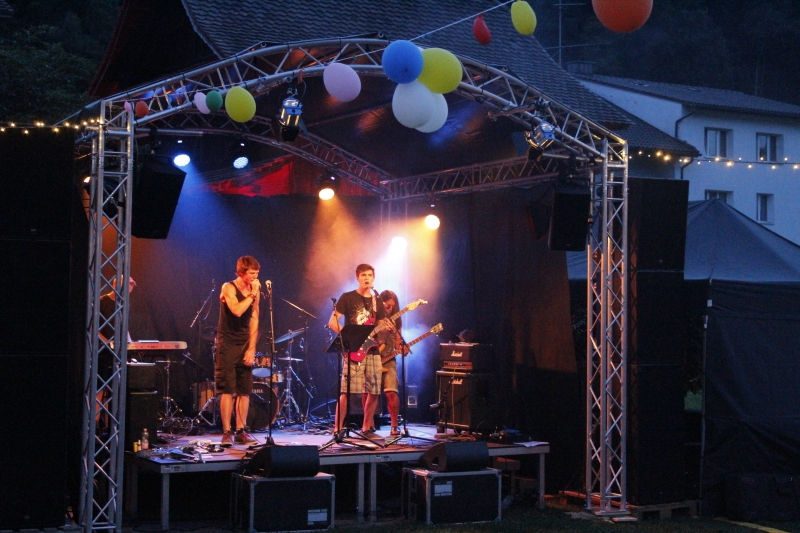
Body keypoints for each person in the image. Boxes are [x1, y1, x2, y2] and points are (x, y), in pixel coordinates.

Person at [328, 264, 394, 438]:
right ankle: (337, 429)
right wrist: (349, 336)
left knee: (374, 390)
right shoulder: (347, 297)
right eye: (363, 275)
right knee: (346, 392)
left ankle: (366, 428)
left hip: (372, 349)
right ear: (357, 277)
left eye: (370, 275)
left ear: (373, 278)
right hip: (354, 349)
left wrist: (387, 329)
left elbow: (379, 326)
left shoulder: (377, 300)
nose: (367, 278)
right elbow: (332, 322)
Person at [216, 255, 261, 447]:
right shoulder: (228, 287)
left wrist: (252, 348)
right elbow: (237, 310)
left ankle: (241, 431)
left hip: (244, 342)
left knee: (244, 390)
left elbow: (254, 317)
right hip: (227, 343)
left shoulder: (254, 290)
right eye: (252, 273)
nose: (255, 277)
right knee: (228, 389)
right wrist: (252, 294)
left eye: (257, 273)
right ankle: (226, 432)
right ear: (242, 272)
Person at [380, 290, 409, 437]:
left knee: (392, 392)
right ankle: (368, 426)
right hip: (373, 357)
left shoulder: (396, 320)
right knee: (369, 394)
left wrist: (402, 348)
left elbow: (398, 342)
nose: (390, 309)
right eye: (388, 306)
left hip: (389, 359)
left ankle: (394, 426)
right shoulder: (375, 317)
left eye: (393, 306)